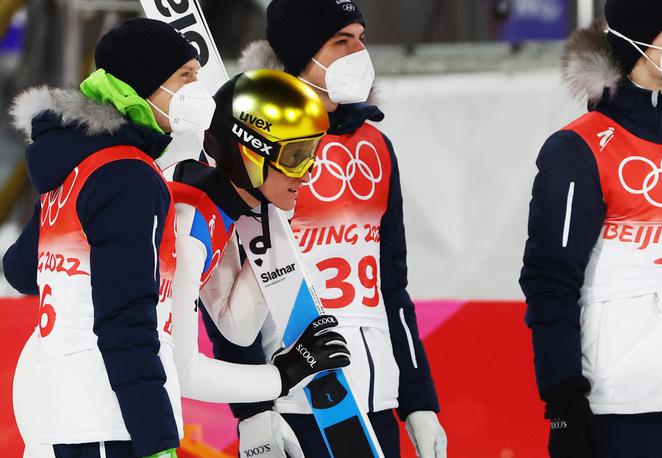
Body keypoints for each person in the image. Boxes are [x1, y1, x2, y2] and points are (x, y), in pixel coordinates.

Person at [205, 1, 447, 457]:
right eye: (342, 41)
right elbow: (221, 289)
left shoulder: (376, 143)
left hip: (376, 397)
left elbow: (391, 283)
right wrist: (253, 412)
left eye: (361, 37)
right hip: (296, 396)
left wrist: (418, 399)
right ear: (302, 54)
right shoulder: (251, 145)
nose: (359, 52)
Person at [4, 18, 211, 458]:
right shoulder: (128, 175)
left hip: (61, 415)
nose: (198, 88)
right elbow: (126, 320)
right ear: (142, 86)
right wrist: (156, 441)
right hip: (112, 420)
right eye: (185, 77)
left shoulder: (76, 169)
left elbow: (22, 270)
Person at [520, 1, 662, 457]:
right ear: (639, 39)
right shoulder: (578, 146)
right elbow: (549, 279)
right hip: (622, 404)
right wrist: (562, 402)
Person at [168, 69, 352, 458]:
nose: (308, 174)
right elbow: (181, 370)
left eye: (312, 155)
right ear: (249, 152)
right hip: (86, 406)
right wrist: (283, 377)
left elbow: (236, 329)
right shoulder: (190, 225)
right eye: (297, 157)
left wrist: (273, 231)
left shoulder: (218, 212)